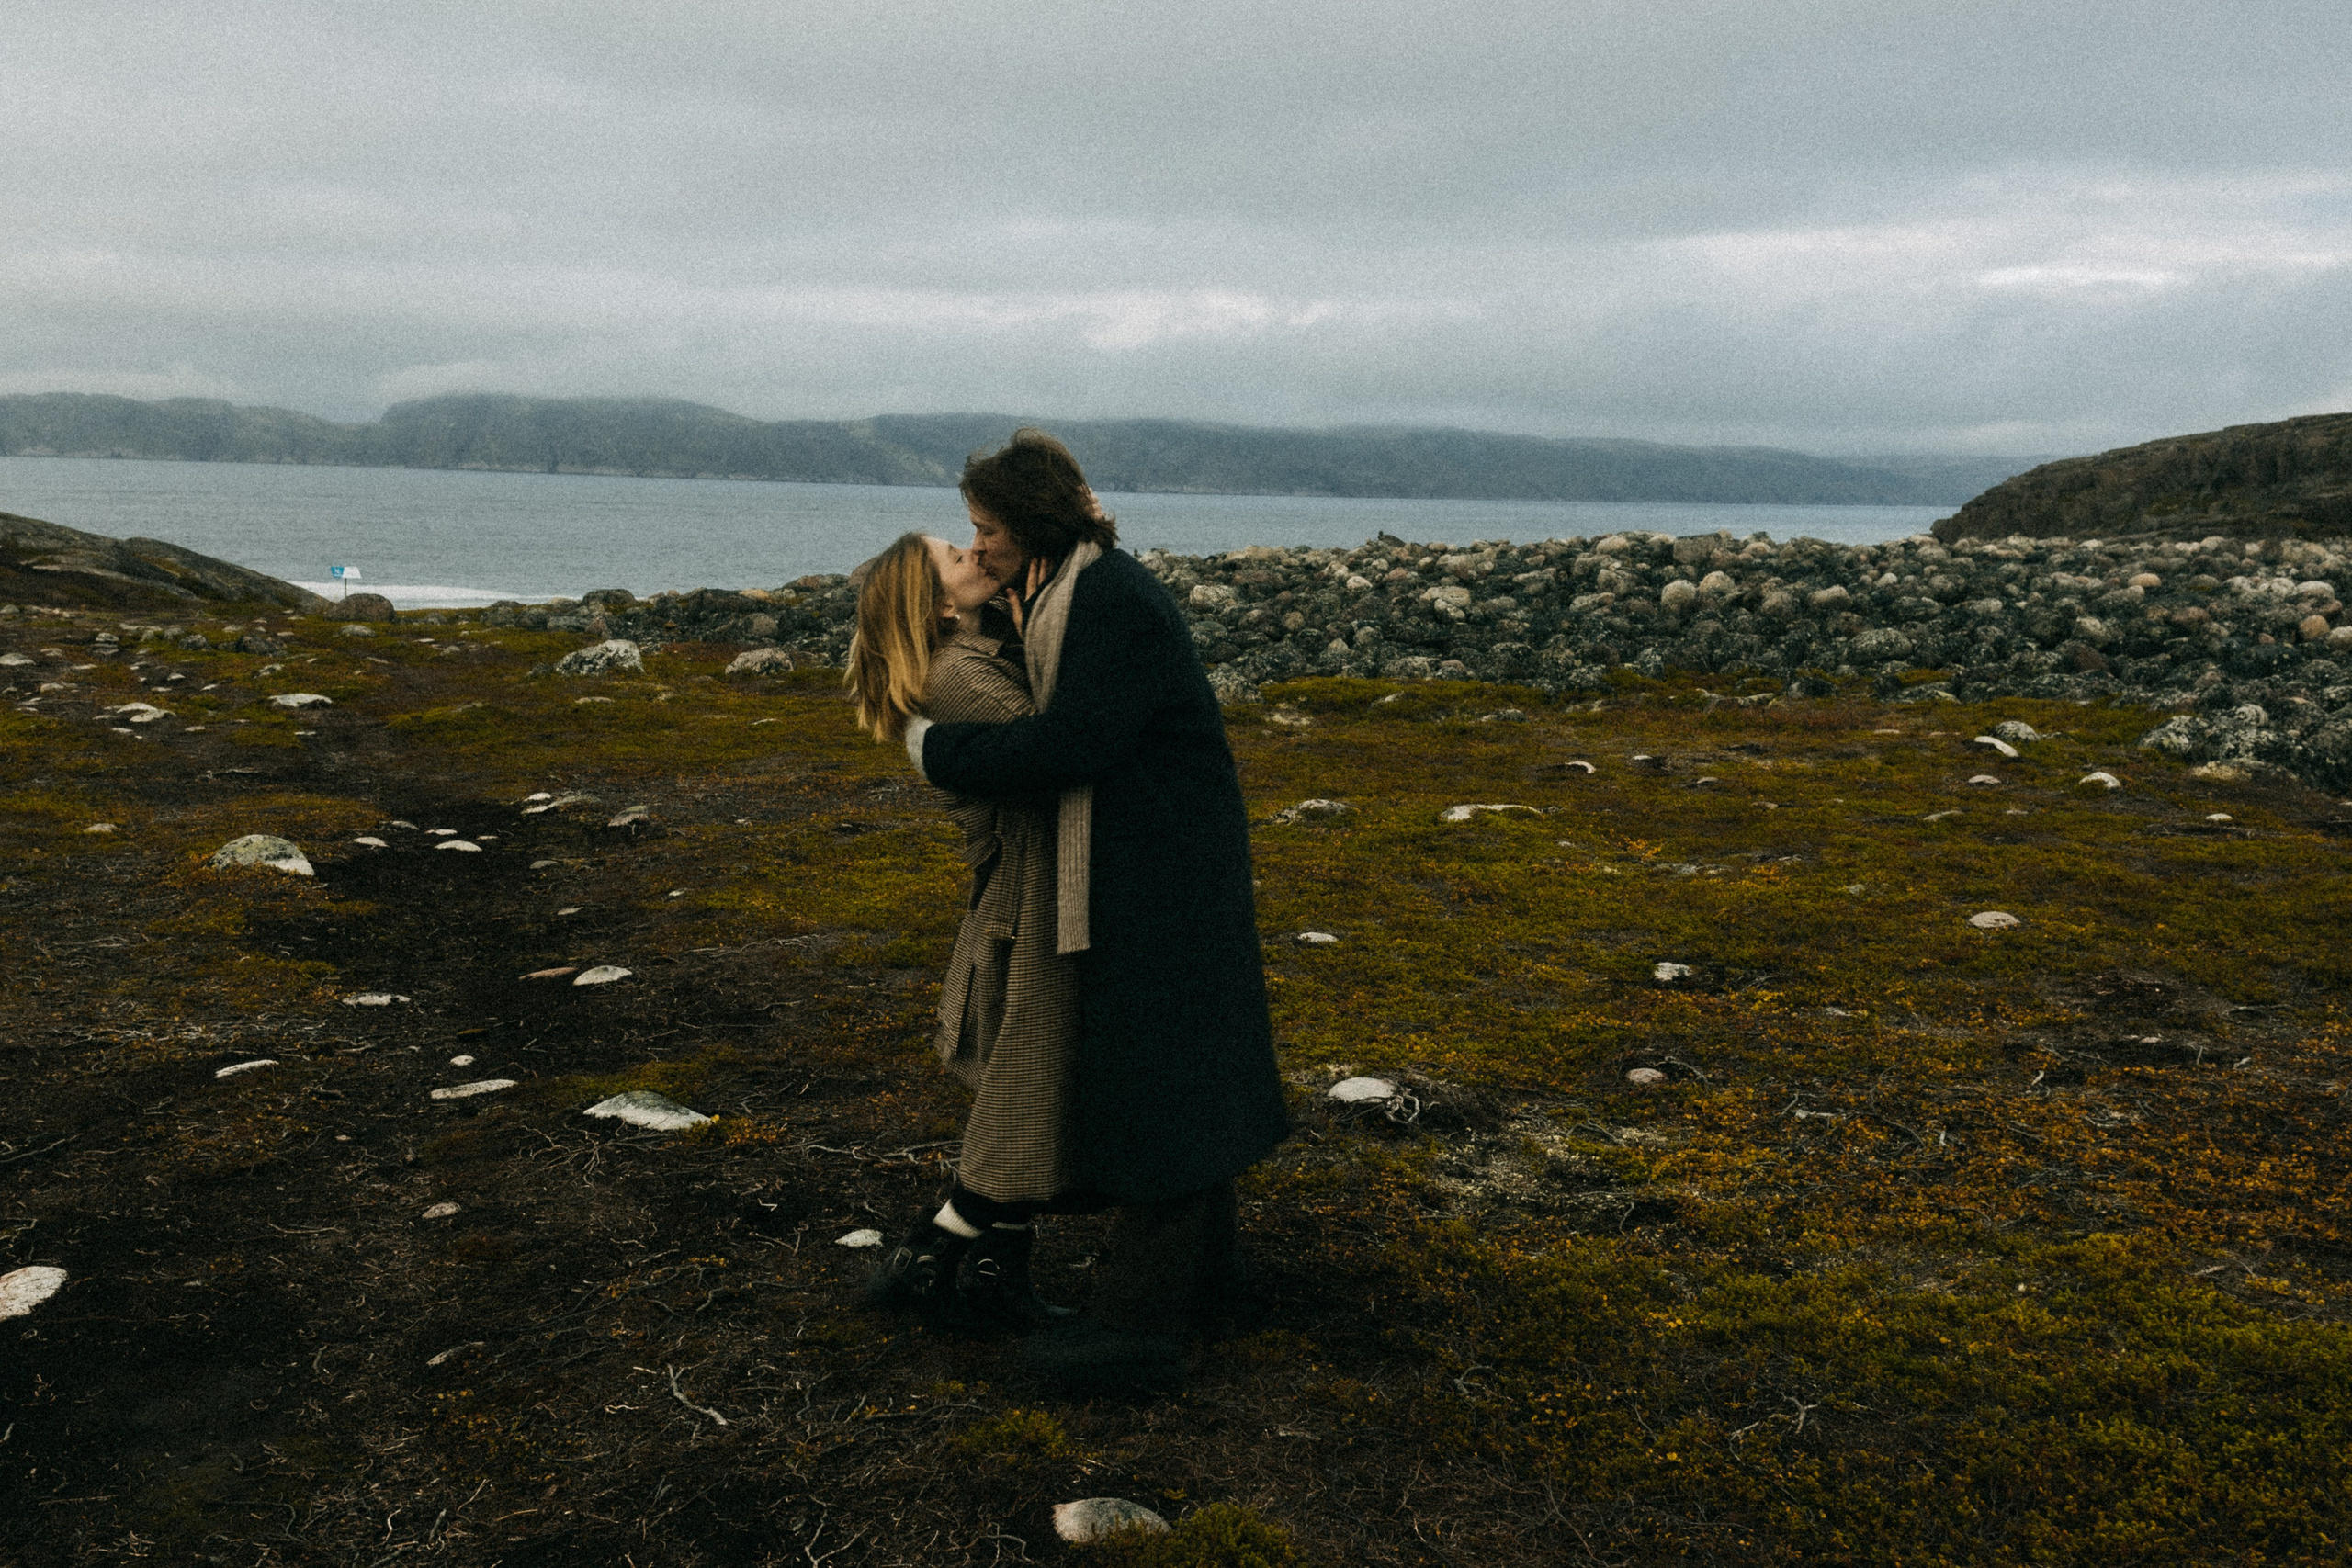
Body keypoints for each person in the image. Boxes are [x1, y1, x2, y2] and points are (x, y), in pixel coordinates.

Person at [902, 428, 1291, 1393]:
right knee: (1181, 1073)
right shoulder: (1070, 591)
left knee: (1163, 1085)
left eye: (986, 528)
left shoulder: (1106, 600)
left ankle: (1138, 1329)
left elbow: (1076, 743)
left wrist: (930, 752)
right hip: (1151, 860)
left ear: (1030, 527)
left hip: (1158, 868)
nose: (978, 544)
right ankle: (1210, 1286)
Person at [847, 531, 1082, 1336]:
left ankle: (992, 1272)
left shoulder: (977, 648)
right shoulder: (956, 676)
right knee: (1029, 1078)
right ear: (939, 604)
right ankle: (930, 1254)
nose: (978, 552)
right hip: (1030, 900)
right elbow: (1059, 742)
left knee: (1032, 1077)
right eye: (958, 554)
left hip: (1036, 889)